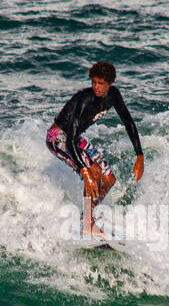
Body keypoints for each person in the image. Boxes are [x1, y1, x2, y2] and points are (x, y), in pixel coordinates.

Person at [46, 62, 145, 236]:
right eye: (94, 82)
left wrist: (139, 156)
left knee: (108, 179)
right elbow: (69, 141)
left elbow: (128, 122)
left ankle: (86, 217)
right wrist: (84, 171)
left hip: (74, 138)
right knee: (93, 172)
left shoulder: (114, 95)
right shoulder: (84, 100)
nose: (96, 87)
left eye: (101, 83)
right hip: (58, 137)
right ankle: (88, 223)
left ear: (110, 84)